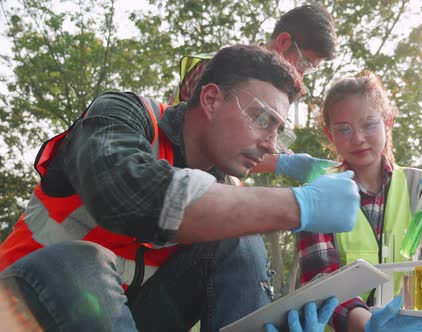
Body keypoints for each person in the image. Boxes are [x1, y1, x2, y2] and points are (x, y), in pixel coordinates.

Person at [0, 44, 360, 332]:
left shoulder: (223, 188)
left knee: (241, 238)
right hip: (19, 306)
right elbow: (125, 193)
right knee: (77, 263)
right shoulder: (124, 114)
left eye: (280, 130)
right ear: (211, 99)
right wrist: (298, 206)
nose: (272, 144)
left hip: (120, 318)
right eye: (263, 119)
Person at [297, 70, 422, 331]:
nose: (358, 138)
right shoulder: (316, 196)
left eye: (369, 124)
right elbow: (319, 282)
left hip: (418, 325)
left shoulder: (421, 188)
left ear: (387, 122)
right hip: (358, 329)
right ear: (330, 136)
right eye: (344, 129)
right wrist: (371, 327)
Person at [169, 3, 339, 181]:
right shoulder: (222, 68)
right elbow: (216, 143)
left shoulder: (274, 94)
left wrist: (280, 154)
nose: (302, 74)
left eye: (310, 69)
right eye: (304, 63)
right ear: (283, 41)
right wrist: (281, 162)